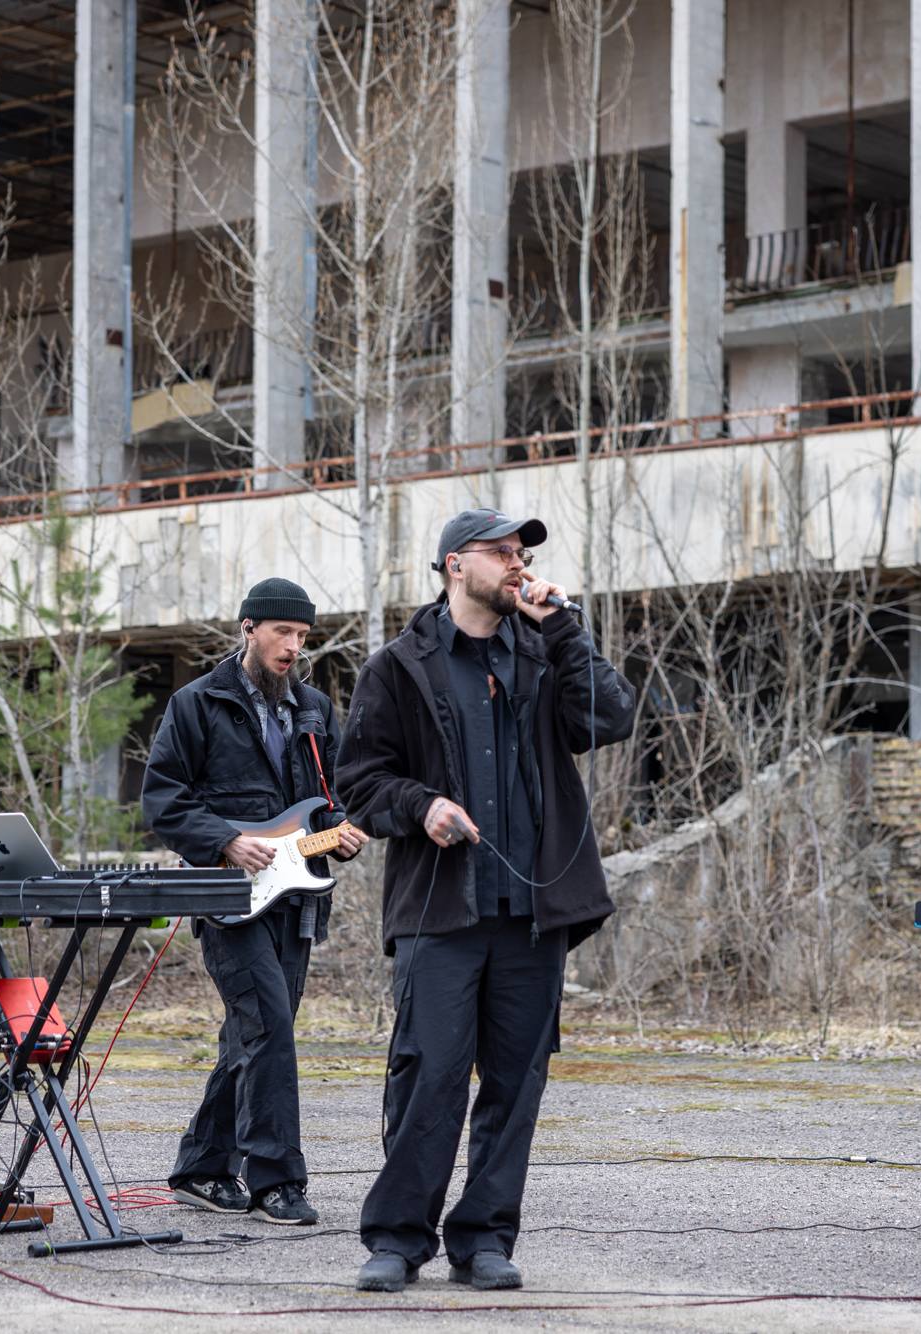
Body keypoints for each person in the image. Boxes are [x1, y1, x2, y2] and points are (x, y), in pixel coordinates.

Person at [338, 508, 636, 1292]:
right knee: (428, 1075)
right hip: (441, 911)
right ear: (452, 565)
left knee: (515, 1082)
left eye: (522, 552)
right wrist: (420, 806)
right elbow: (358, 784)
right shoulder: (398, 667)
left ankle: (485, 1238)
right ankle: (399, 1238)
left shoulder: (542, 654)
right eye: (500, 552)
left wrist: (568, 630)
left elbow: (611, 717)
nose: (516, 563)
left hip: (533, 916)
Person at [142, 576, 366, 1225]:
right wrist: (225, 841)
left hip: (297, 901)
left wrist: (342, 830)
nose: (293, 646)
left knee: (256, 1034)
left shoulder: (315, 710)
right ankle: (275, 1180)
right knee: (267, 1025)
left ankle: (201, 1167)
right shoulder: (196, 704)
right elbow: (163, 799)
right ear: (248, 628)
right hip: (227, 899)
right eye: (282, 633)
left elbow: (334, 799)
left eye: (302, 636)